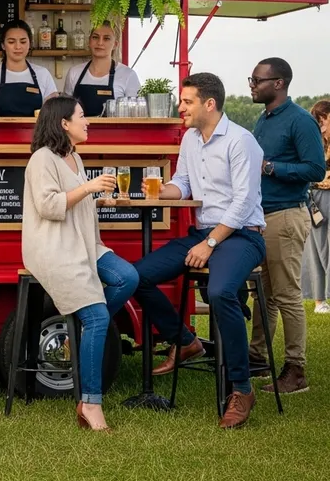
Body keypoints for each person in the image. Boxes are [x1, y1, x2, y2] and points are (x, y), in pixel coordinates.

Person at [133, 72, 266, 429]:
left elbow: (242, 204)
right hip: (203, 233)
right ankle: (186, 341)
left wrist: (209, 244)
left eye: (187, 101)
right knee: (136, 276)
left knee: (221, 292)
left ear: (210, 104)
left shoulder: (242, 141)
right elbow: (184, 183)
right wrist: (161, 192)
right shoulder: (190, 139)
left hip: (241, 236)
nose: (180, 107)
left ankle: (241, 388)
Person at [22, 95, 139, 431]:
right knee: (99, 317)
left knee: (127, 277)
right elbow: (48, 206)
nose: (87, 121)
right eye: (82, 115)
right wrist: (89, 188)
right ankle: (90, 403)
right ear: (64, 123)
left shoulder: (75, 156)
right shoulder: (41, 160)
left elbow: (79, 202)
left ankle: (84, 331)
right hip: (55, 250)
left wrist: (94, 193)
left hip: (86, 246)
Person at [247, 58, 326, 393]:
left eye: (257, 79)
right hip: (262, 217)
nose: (251, 84)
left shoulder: (299, 121)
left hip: (285, 215)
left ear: (278, 83)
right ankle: (257, 358)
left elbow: (315, 170)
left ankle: (296, 370)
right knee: (264, 295)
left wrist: (269, 168)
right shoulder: (263, 119)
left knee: (287, 294)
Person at [0, 20, 58, 117]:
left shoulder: (43, 74)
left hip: (36, 132)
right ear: (3, 45)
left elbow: (53, 118)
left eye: (23, 42)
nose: (18, 46)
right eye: (11, 42)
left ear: (30, 44)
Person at [63, 22, 141, 117]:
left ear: (115, 44)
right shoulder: (74, 72)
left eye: (106, 38)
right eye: (95, 37)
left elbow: (135, 116)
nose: (100, 43)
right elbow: (65, 111)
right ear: (89, 41)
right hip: (79, 131)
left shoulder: (128, 75)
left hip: (116, 132)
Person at [303, 100, 330, 313]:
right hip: (315, 199)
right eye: (320, 120)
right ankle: (319, 300)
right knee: (316, 249)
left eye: (324, 119)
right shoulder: (316, 142)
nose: (323, 124)